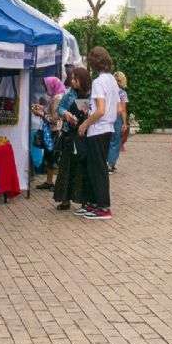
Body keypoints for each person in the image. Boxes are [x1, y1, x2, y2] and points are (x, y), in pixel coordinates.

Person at [76, 47, 117, 219]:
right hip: (106, 129)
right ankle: (94, 204)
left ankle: (103, 207)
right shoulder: (112, 80)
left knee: (98, 169)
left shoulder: (99, 82)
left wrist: (85, 123)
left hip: (98, 130)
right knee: (95, 168)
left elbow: (100, 110)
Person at [52, 67, 89, 210]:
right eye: (72, 78)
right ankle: (65, 199)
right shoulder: (69, 94)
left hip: (84, 136)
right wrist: (66, 113)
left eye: (75, 78)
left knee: (81, 167)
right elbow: (60, 108)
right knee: (66, 167)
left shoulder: (90, 94)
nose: (72, 81)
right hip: (69, 135)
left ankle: (83, 200)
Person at [106, 71, 130, 172]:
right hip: (117, 118)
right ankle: (110, 163)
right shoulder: (122, 93)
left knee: (108, 140)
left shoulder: (108, 91)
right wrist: (124, 123)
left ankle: (108, 162)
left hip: (107, 117)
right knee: (116, 141)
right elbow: (123, 110)